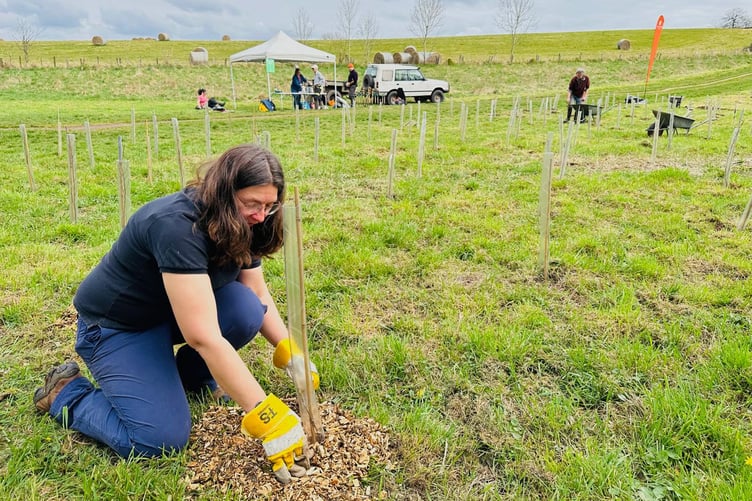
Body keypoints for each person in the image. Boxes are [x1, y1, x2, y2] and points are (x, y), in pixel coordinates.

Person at [33, 144, 319, 485]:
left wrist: (290, 352)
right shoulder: (177, 226)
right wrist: (267, 417)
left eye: (270, 206)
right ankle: (68, 394)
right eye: (252, 205)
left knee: (244, 309)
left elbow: (256, 292)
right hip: (117, 328)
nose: (261, 216)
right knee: (159, 439)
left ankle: (187, 378)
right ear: (225, 194)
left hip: (172, 313)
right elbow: (203, 336)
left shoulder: (250, 219)